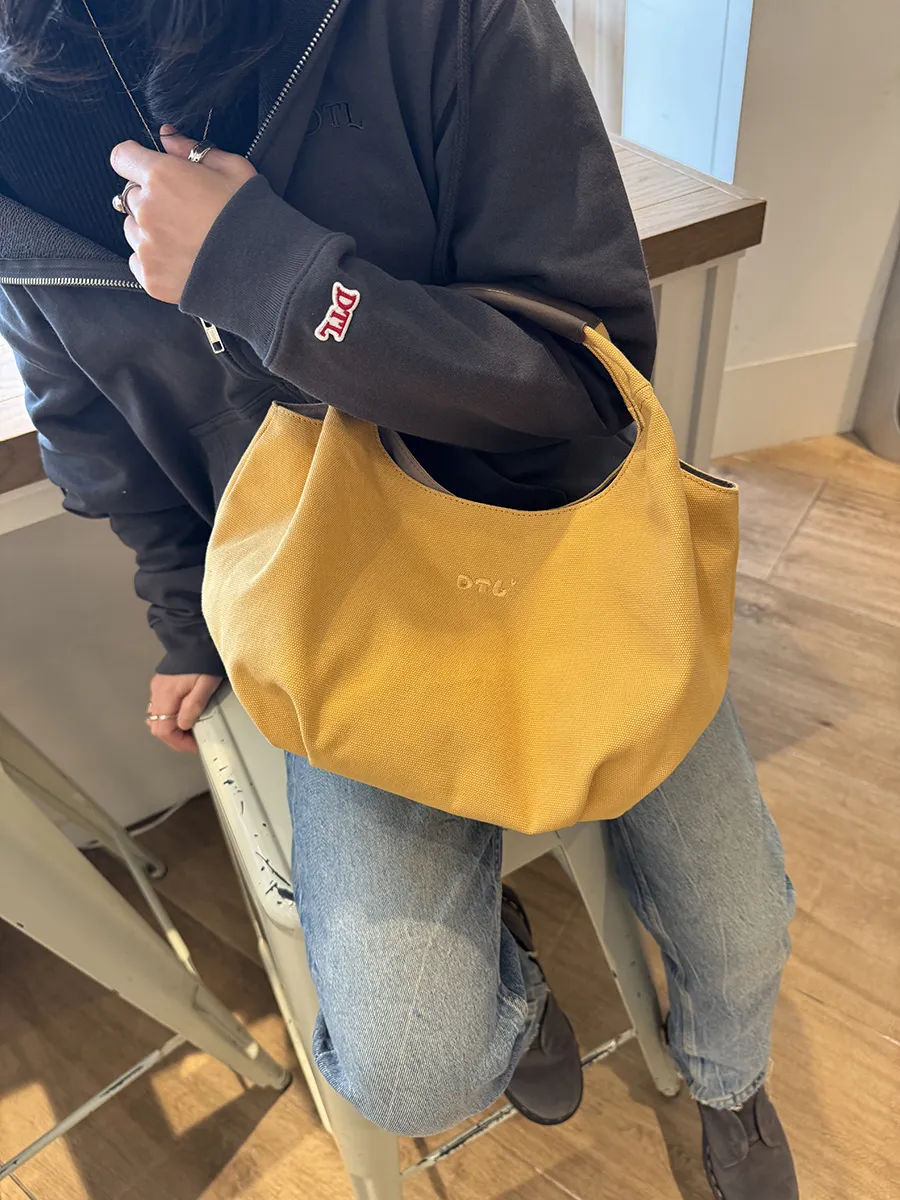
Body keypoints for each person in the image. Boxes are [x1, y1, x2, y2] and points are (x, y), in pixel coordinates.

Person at [0, 2, 798, 1196]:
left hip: (563, 536)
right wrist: (184, 625)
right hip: (339, 610)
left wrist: (276, 281)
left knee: (742, 926)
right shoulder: (16, 133)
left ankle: (729, 1083)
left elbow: (586, 386)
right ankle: (508, 982)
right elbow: (106, 450)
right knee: (412, 1063)